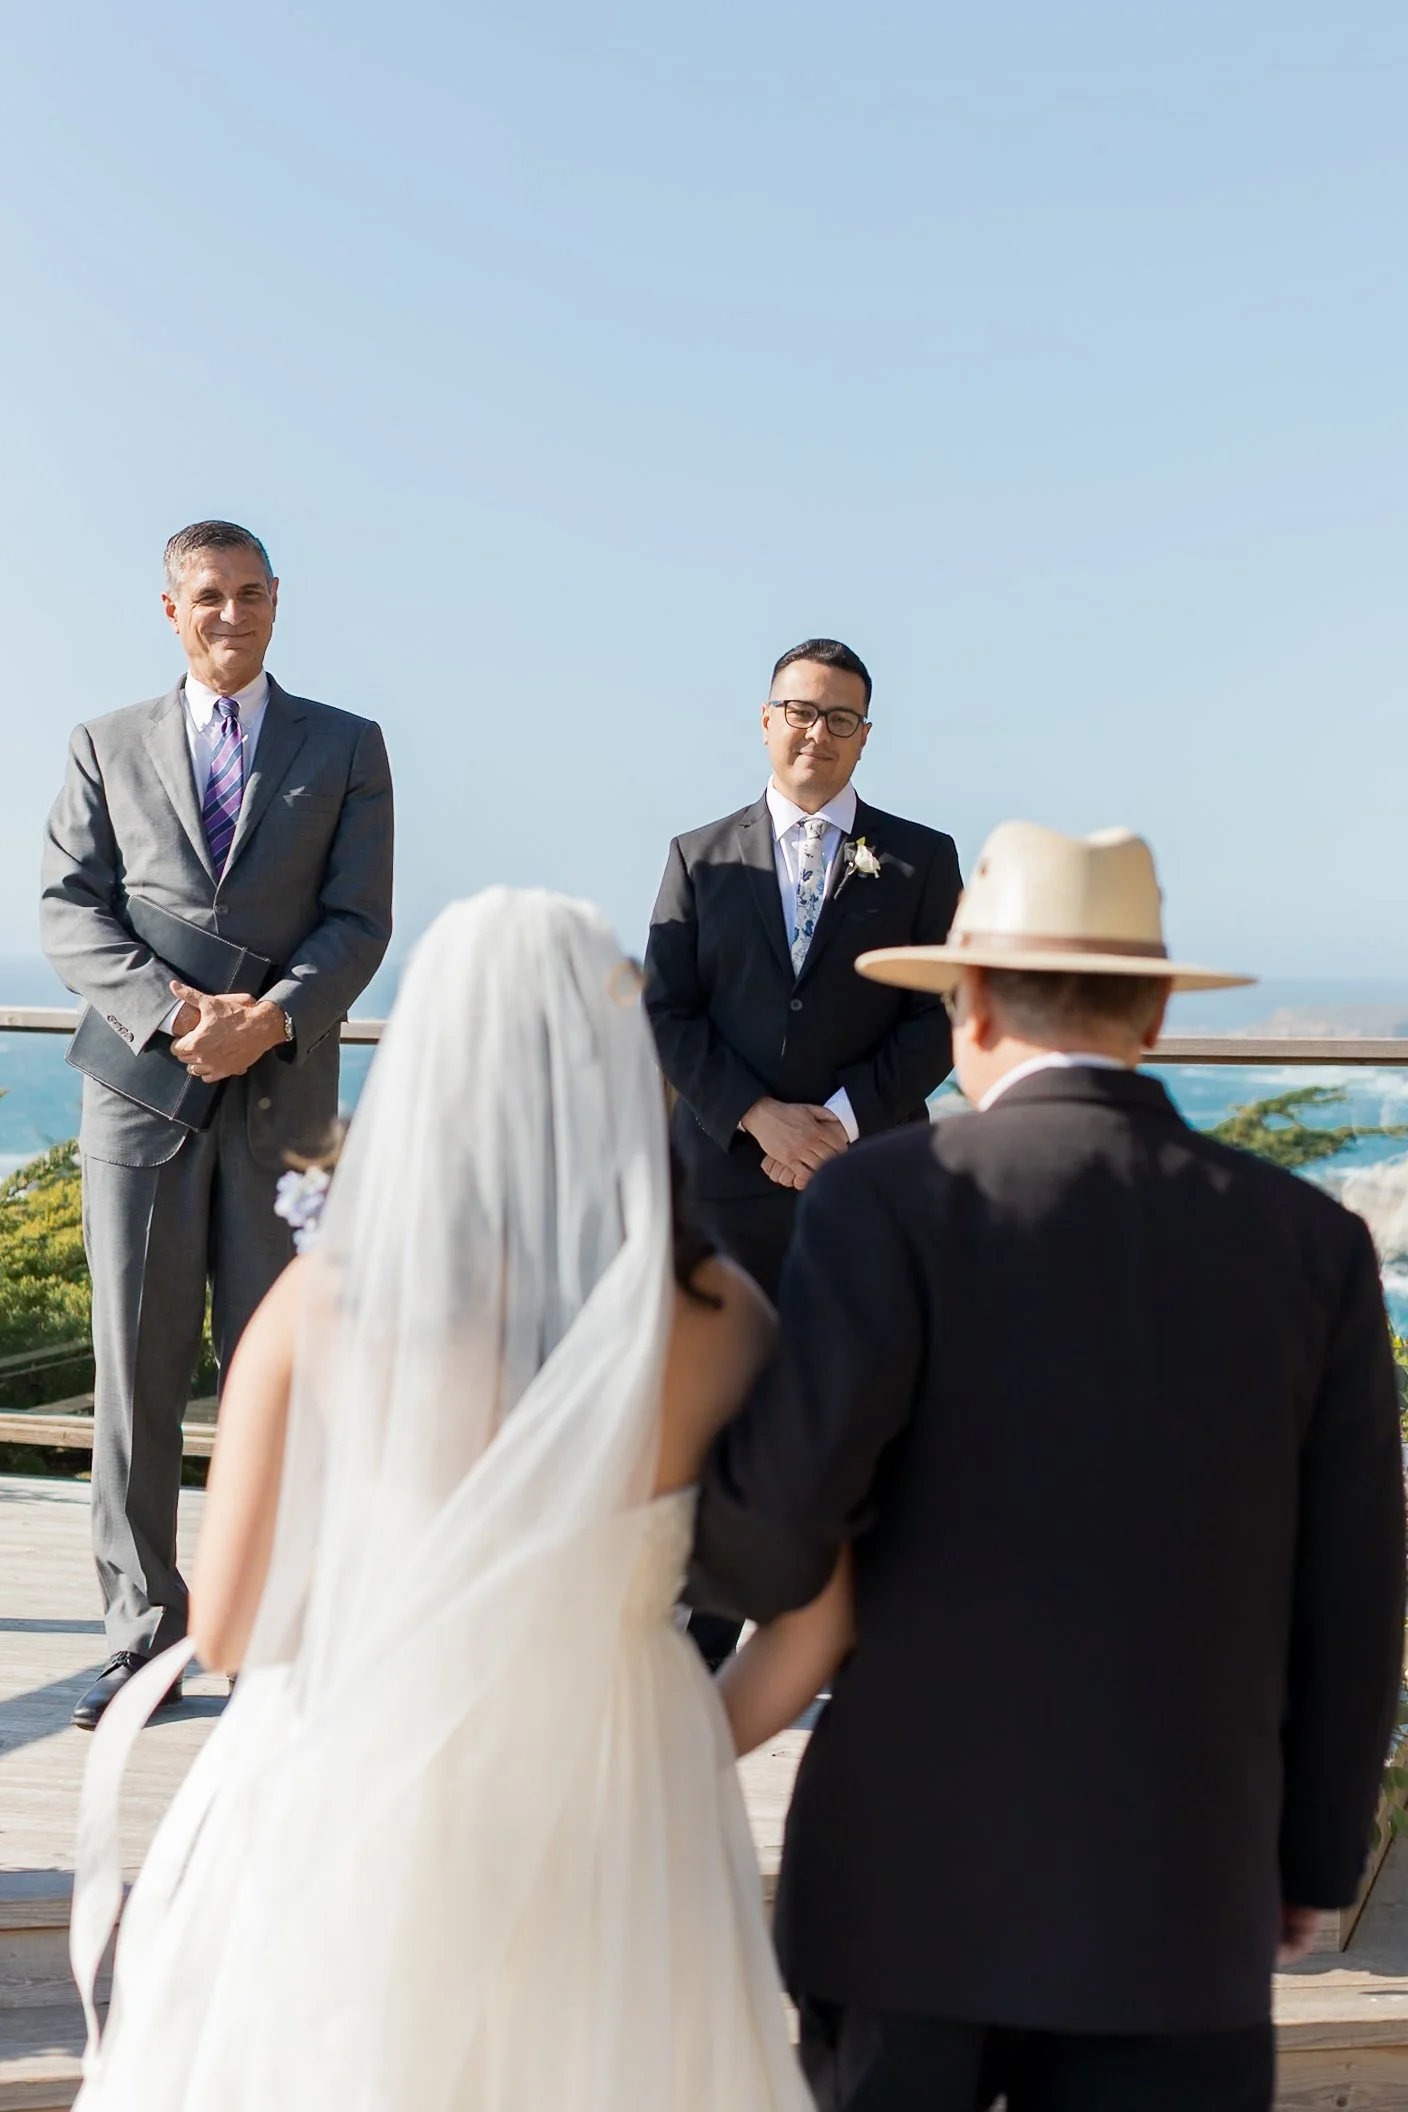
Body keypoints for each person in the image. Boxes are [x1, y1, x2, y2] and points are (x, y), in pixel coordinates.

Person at [690, 821, 1407, 2112]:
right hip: (1183, 1896)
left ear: (966, 1008)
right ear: (1149, 1016)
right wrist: (1307, 1860)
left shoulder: (883, 1203)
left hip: (910, 1891)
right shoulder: (1312, 1246)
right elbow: (1355, 1599)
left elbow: (776, 1536)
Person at [70, 891, 812, 2112]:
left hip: (364, 1793)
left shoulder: (321, 1309)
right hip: (620, 1792)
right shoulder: (724, 1322)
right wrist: (681, 1736)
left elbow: (238, 1628)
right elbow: (816, 1611)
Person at [41, 520, 394, 1729]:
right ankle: (143, 1639)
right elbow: (68, 911)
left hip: (283, 1109)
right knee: (134, 1382)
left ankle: (277, 1637)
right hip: (140, 1104)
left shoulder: (349, 746)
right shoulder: (102, 743)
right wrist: (172, 1013)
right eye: (208, 596)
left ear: (278, 602)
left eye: (250, 595)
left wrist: (275, 1021)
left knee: (277, 1376)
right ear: (170, 607)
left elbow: (359, 921)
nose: (230, 615)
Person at [644, 636, 961, 1666]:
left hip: (865, 1186)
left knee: (861, 1405)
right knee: (716, 1411)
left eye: (838, 718)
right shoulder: (700, 854)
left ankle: (856, 1638)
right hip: (722, 1188)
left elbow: (941, 1015)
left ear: (864, 736)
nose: (815, 733)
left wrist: (835, 1122)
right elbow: (667, 1012)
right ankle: (701, 1634)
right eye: (799, 710)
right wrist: (758, 1118)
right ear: (765, 718)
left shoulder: (921, 859)